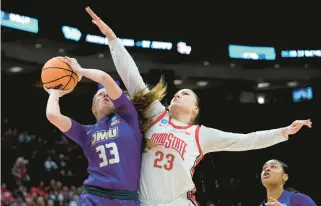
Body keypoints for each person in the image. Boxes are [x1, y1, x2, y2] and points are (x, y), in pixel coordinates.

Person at [83, 7, 313, 205]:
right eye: (177, 93)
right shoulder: (156, 114)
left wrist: (283, 132)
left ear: (195, 110)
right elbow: (131, 76)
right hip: (142, 202)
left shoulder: (200, 135)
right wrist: (112, 38)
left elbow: (246, 141)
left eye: (185, 94)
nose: (177, 95)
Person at [44, 61, 142, 206]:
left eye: (108, 93)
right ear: (93, 108)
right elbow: (53, 115)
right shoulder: (86, 132)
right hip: (93, 197)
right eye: (100, 95)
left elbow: (104, 79)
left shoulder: (128, 118)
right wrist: (54, 93)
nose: (105, 95)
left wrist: (80, 70)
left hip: (125, 198)